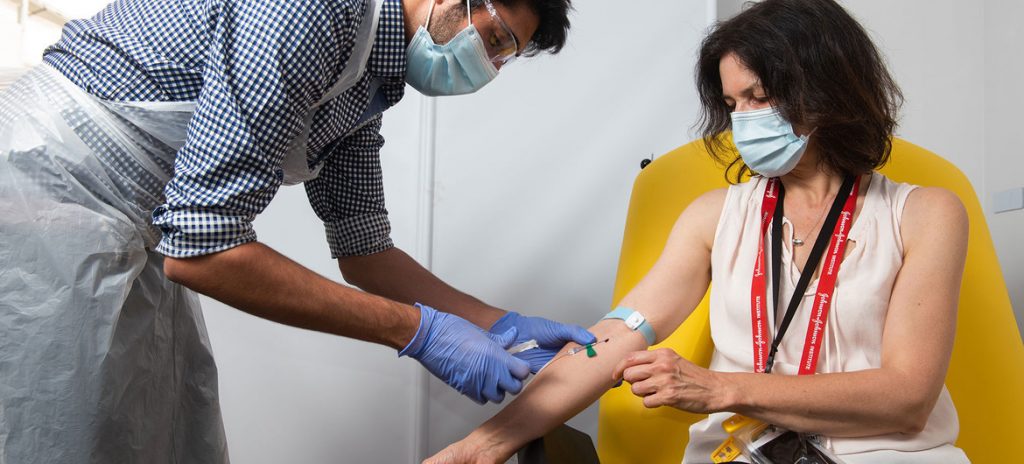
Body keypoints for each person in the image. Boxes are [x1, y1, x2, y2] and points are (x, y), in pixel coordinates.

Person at [0, 0, 596, 462]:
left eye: (502, 57)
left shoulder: (372, 74)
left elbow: (364, 248)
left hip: (136, 224)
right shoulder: (314, 11)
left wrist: (497, 324)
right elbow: (205, 250)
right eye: (492, 39)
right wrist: (418, 331)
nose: (485, 67)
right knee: (56, 431)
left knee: (167, 425)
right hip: (49, 189)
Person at [424, 0, 970, 463]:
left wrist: (720, 388)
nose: (744, 121)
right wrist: (483, 443)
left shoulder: (925, 214)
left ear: (827, 89)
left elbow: (907, 397)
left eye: (759, 97)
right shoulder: (715, 217)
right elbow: (609, 343)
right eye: (732, 105)